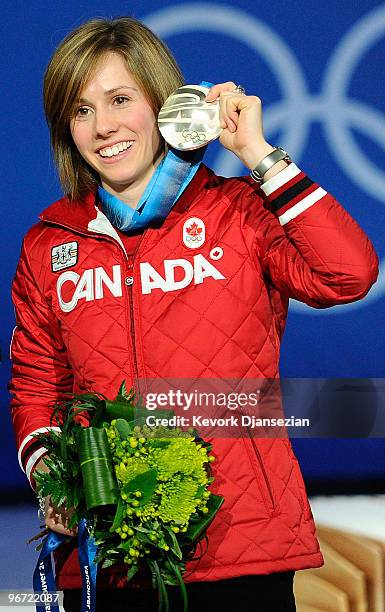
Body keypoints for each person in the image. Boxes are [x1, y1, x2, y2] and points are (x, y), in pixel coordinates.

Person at [9, 16, 378, 612]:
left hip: (242, 545)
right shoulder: (49, 245)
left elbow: (349, 275)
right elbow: (37, 383)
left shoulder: (238, 212)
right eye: (80, 110)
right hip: (110, 554)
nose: (103, 127)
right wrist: (52, 473)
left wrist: (258, 154)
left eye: (120, 100)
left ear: (164, 105)